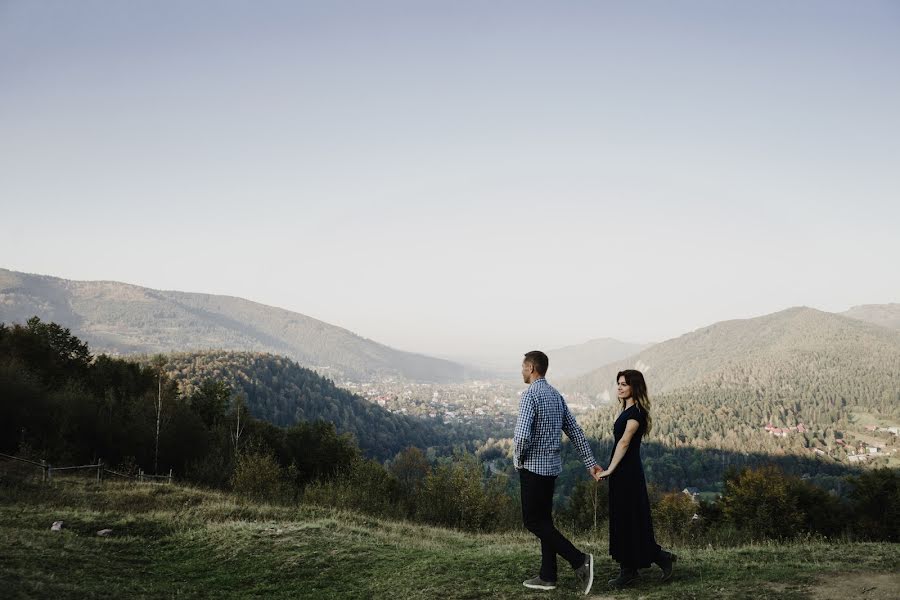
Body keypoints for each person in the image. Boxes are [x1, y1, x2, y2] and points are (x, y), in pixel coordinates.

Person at [514, 350, 603, 596]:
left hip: (533, 468)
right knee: (544, 522)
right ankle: (548, 575)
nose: (521, 371)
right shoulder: (555, 395)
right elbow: (575, 431)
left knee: (533, 522)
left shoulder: (530, 395)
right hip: (551, 470)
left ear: (532, 367)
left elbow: (522, 436)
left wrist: (518, 460)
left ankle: (579, 560)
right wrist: (590, 462)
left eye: (523, 366)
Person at [596, 369, 676, 587]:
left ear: (635, 387)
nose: (620, 387)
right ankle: (632, 568)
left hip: (628, 474)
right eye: (618, 383)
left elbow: (624, 443)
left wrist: (610, 469)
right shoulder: (628, 409)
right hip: (623, 472)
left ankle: (642, 565)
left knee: (629, 519)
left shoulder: (636, 413)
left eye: (624, 384)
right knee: (624, 519)